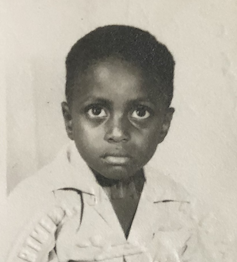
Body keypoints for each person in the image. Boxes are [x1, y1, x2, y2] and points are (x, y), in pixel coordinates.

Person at [2, 25, 209, 262]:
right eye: (97, 111)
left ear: (164, 124)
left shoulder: (179, 206)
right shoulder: (36, 202)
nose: (118, 132)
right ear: (69, 120)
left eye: (140, 112)